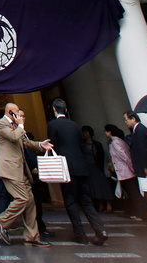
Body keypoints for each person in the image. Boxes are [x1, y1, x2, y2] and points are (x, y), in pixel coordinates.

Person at [47, 98, 105, 245]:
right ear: (66, 110)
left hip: (67, 168)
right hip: (81, 167)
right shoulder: (75, 125)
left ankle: (80, 234)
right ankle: (100, 230)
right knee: (86, 201)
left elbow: (53, 146)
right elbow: (80, 145)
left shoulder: (53, 125)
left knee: (71, 201)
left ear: (54, 110)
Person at [0, 103, 52, 247]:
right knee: (23, 198)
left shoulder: (17, 127)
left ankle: (32, 236)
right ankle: (2, 220)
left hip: (21, 169)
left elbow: (25, 142)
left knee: (30, 200)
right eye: (18, 112)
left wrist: (40, 145)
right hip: (10, 169)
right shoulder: (2, 124)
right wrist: (20, 126)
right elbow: (13, 137)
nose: (20, 115)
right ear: (10, 112)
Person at [104, 123, 147, 221]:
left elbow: (124, 156)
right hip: (127, 172)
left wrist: (132, 168)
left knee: (134, 194)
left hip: (125, 172)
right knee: (134, 194)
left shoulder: (115, 143)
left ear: (109, 132)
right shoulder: (120, 141)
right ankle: (140, 213)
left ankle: (144, 214)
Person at [122, 111, 147, 218]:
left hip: (144, 167)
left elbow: (144, 149)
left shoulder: (139, 130)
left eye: (126, 119)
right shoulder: (138, 130)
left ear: (133, 119)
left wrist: (146, 166)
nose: (125, 122)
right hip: (143, 166)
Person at [80, 125, 113, 212]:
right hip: (88, 167)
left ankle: (108, 204)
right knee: (94, 187)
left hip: (97, 166)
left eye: (86, 132)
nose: (84, 134)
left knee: (102, 185)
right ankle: (100, 205)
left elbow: (101, 156)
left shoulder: (97, 144)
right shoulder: (82, 145)